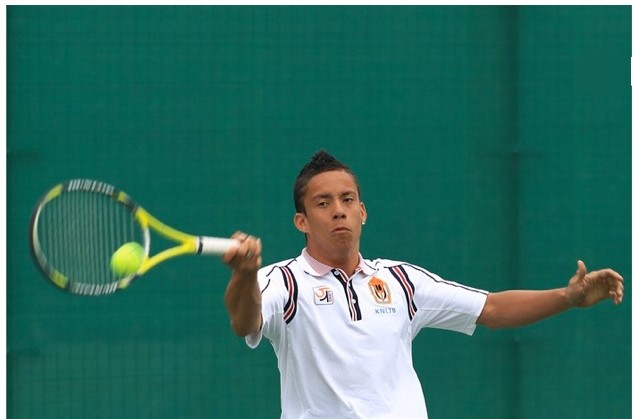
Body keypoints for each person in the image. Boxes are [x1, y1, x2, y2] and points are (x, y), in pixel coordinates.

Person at [222, 150, 624, 419]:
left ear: (363, 212)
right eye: (323, 203)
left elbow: (493, 309)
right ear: (302, 222)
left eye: (347, 200)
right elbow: (245, 321)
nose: (338, 211)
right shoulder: (282, 281)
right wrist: (243, 274)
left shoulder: (402, 281)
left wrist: (568, 297)